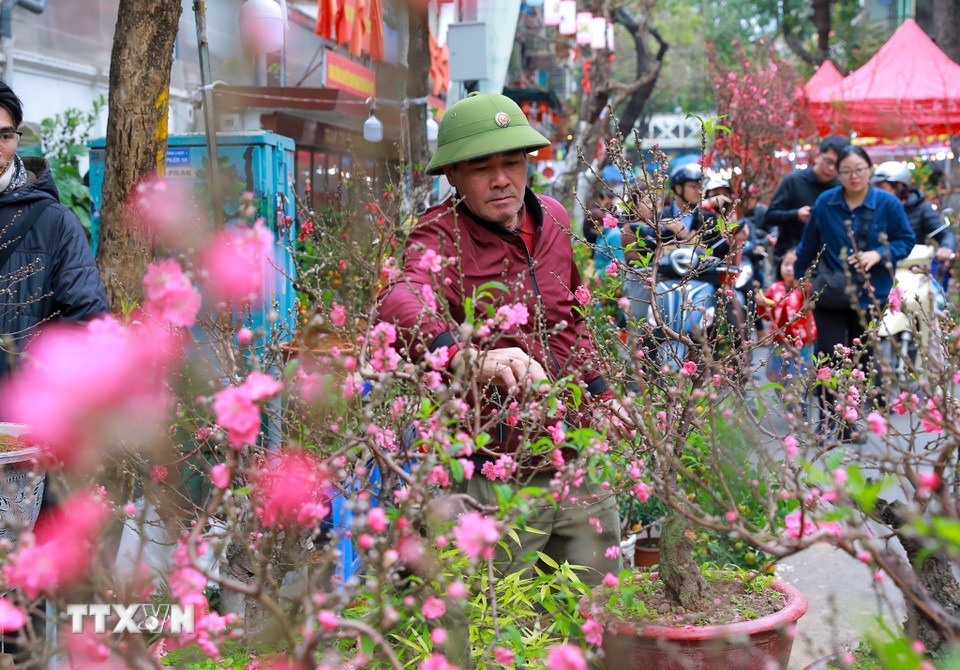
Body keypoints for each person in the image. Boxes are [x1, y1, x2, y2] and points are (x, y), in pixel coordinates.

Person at [377, 93, 632, 661]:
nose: (500, 180)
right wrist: (465, 354)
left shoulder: (557, 222)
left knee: (588, 616)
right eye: (481, 167)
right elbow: (400, 298)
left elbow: (569, 324)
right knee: (496, 630)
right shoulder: (437, 237)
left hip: (576, 461)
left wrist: (604, 395)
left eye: (511, 162)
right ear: (453, 176)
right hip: (496, 476)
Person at [794, 146, 915, 438]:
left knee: (861, 360)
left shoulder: (887, 203)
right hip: (831, 293)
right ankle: (826, 420)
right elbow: (808, 244)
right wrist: (801, 280)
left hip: (871, 295)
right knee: (829, 357)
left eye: (859, 169)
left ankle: (849, 422)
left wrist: (878, 254)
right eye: (846, 171)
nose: (853, 176)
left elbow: (906, 240)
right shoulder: (826, 201)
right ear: (839, 173)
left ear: (870, 170)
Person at [0, 81, 109, 379]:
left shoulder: (54, 222)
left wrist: (33, 382)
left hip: (19, 411)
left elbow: (87, 321)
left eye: (6, 135)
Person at [769, 135, 851, 278]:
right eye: (828, 162)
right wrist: (796, 215)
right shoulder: (794, 181)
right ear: (818, 156)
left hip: (826, 264)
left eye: (837, 165)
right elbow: (771, 216)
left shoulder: (842, 188)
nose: (831, 168)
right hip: (790, 261)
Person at [872, 160, 956, 287]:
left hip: (911, 269)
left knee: (934, 299)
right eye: (876, 188)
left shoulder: (921, 208)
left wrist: (946, 247)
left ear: (899, 186)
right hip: (879, 268)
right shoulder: (873, 208)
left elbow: (943, 233)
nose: (878, 192)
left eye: (882, 188)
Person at [756, 249, 816, 404]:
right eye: (786, 264)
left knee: (800, 375)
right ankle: (785, 396)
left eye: (795, 265)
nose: (790, 268)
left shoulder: (806, 289)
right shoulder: (775, 289)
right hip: (779, 340)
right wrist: (761, 303)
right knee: (775, 373)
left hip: (803, 340)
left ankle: (798, 405)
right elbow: (765, 314)